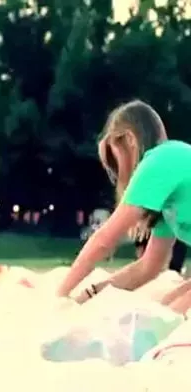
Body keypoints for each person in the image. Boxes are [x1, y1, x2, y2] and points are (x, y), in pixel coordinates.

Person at [56, 99, 191, 305]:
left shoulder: (159, 161)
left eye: (114, 158)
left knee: (169, 315)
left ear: (129, 140)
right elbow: (147, 267)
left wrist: (60, 295)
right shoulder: (171, 181)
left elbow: (103, 241)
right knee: (166, 308)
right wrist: (90, 295)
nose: (118, 173)